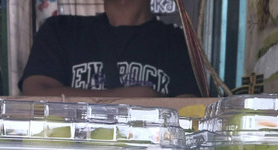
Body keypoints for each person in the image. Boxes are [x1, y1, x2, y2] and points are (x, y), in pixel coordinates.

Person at [19, 0, 201, 97]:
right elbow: (35, 92)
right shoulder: (60, 30)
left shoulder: (178, 42)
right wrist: (134, 98)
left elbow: (189, 109)